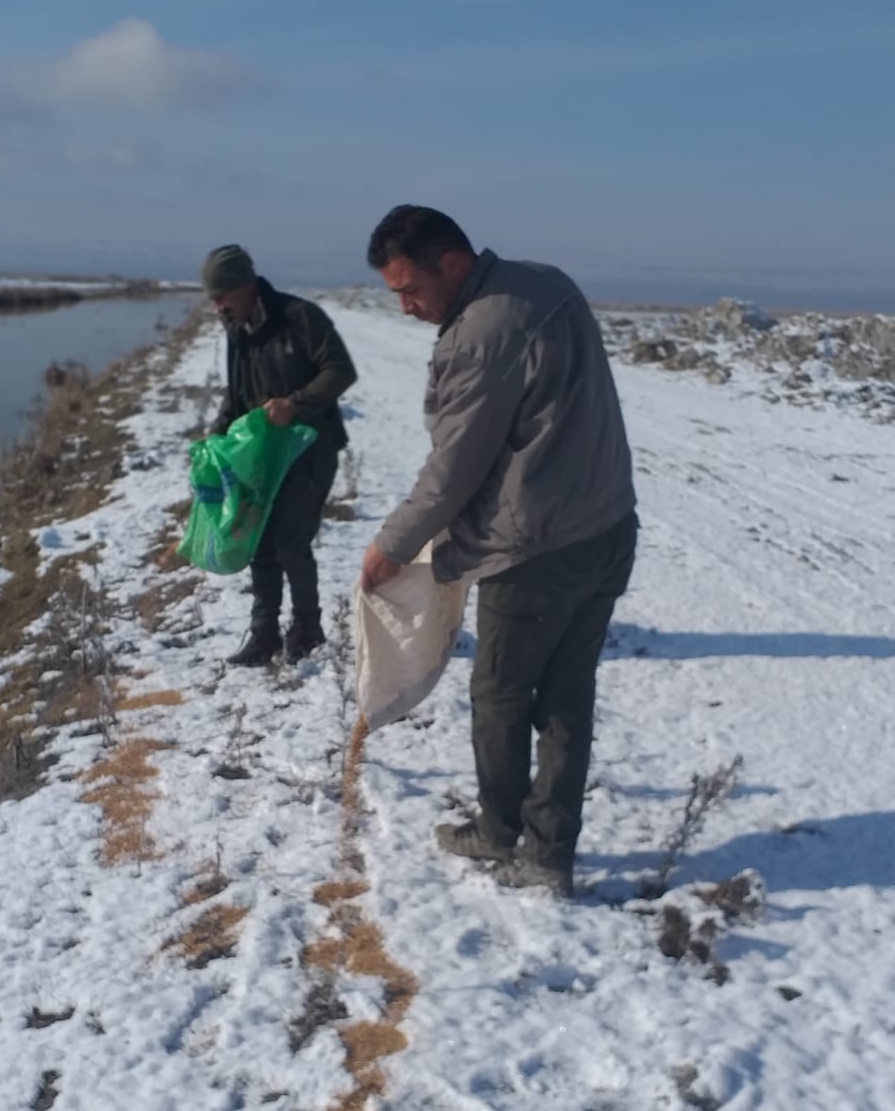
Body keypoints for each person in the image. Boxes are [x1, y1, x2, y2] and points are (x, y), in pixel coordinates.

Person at [361, 205, 637, 896]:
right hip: (607, 526)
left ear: (451, 263)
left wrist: (390, 548)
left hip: (536, 547)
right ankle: (550, 852)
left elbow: (454, 467)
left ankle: (499, 833)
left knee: (500, 696)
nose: (405, 307)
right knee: (569, 695)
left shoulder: (483, 331)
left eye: (409, 289)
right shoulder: (546, 282)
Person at [202, 244, 358, 666]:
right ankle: (264, 634)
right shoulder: (235, 328)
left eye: (222, 295)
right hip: (261, 456)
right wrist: (214, 440)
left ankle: (308, 629)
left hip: (310, 450)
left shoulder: (300, 317)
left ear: (246, 285)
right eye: (213, 297)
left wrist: (296, 403)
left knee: (292, 543)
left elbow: (341, 370)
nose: (217, 304)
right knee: (260, 543)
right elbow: (236, 396)